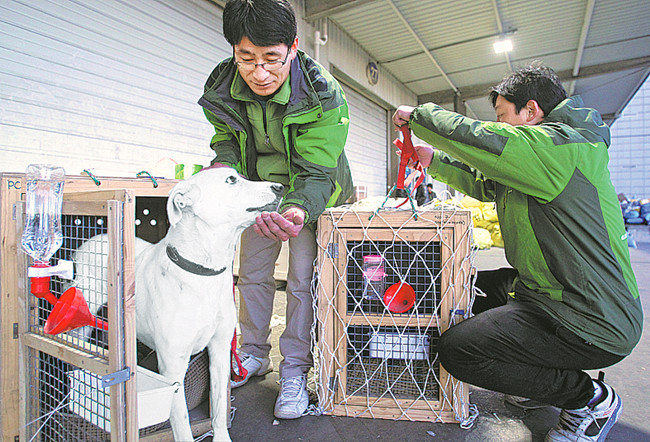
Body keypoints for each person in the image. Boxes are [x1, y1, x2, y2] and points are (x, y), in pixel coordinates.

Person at [392, 62, 642, 441]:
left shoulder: (562, 149)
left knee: (460, 352)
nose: (499, 125)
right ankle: (536, 381)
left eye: (503, 117)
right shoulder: (540, 160)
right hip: (548, 292)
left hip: (590, 317)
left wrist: (422, 117)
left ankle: (589, 399)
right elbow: (489, 184)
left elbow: (488, 142)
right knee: (461, 287)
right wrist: (433, 160)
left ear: (531, 111)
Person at [198, 0, 353, 419]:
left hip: (311, 192)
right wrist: (224, 170)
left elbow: (318, 172)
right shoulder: (222, 83)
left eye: (272, 59)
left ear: (293, 47)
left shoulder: (322, 92)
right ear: (234, 51)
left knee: (303, 280)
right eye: (246, 59)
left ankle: (296, 371)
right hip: (255, 192)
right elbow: (226, 139)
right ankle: (252, 354)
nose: (259, 73)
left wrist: (299, 210)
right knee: (251, 273)